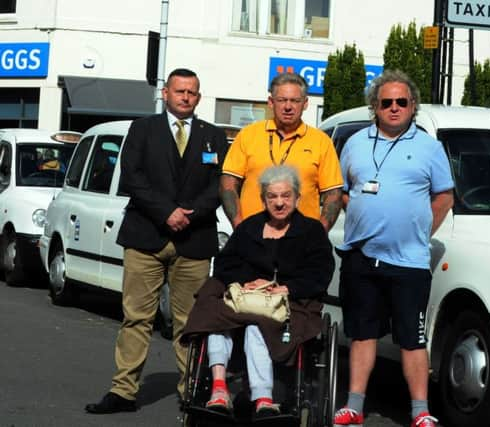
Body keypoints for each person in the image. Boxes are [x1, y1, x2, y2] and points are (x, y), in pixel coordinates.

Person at [85, 68, 229, 414]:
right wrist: (167, 212)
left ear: (199, 96)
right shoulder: (142, 129)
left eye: (192, 92)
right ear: (165, 93)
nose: (185, 97)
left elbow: (221, 186)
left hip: (194, 240)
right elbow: (132, 176)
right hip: (146, 235)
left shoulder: (213, 135)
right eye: (179, 91)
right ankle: (123, 391)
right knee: (136, 317)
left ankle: (190, 390)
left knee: (190, 321)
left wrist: (189, 215)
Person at [333, 70, 454, 427]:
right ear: (376, 107)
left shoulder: (429, 147)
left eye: (402, 102)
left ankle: (420, 411)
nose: (395, 108)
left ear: (412, 105)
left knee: (413, 339)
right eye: (387, 102)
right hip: (361, 257)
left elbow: (444, 197)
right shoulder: (355, 142)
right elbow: (341, 190)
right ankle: (354, 405)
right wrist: (360, 216)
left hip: (409, 262)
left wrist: (419, 231)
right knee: (362, 333)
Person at [181, 164, 335, 419]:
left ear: (297, 197)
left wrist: (289, 287)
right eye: (272, 196)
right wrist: (246, 282)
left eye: (286, 196)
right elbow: (224, 263)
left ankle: (263, 397)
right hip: (246, 299)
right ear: (263, 199)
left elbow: (321, 272)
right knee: (214, 312)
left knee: (256, 327)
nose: (279, 203)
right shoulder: (249, 227)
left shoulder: (312, 232)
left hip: (289, 305)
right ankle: (219, 388)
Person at [220, 72, 343, 232]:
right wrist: (239, 225)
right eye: (282, 100)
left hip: (300, 239)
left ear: (305, 103)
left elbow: (333, 193)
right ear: (271, 102)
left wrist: (318, 234)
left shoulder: (321, 141)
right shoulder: (248, 135)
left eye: (295, 101)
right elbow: (228, 182)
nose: (288, 107)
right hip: (253, 235)